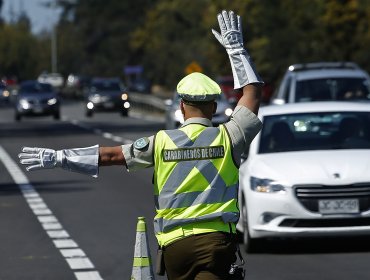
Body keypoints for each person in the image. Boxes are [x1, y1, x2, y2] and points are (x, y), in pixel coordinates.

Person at [18, 10, 263, 280]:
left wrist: (59, 157)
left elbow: (110, 156)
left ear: (181, 106)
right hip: (216, 244)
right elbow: (252, 93)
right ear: (214, 106)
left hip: (175, 246)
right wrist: (236, 50)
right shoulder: (230, 136)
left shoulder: (160, 142)